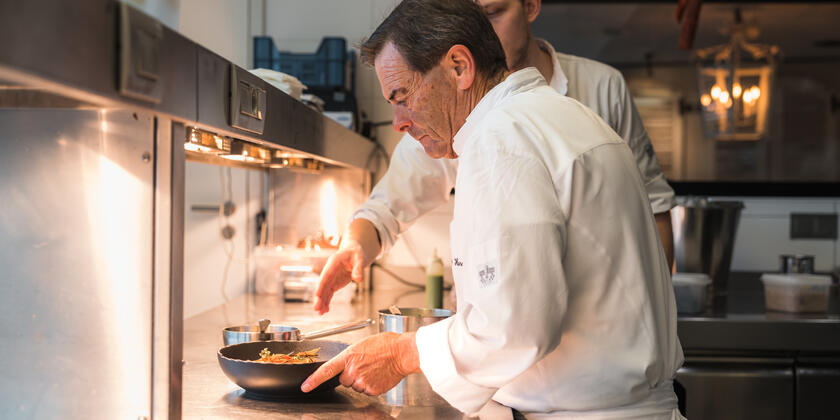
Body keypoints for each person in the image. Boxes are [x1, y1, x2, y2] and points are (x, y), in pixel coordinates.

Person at [302, 1, 684, 418]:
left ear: (460, 67)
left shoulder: (502, 138)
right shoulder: (555, 115)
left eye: (402, 95)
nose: (397, 122)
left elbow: (513, 329)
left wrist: (402, 353)